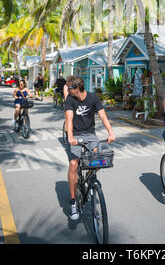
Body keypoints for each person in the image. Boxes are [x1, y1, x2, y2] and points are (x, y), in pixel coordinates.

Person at [65, 75, 115, 220]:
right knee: (74, 164)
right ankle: (73, 201)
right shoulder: (70, 99)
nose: (68, 90)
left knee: (100, 159)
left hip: (90, 134)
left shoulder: (93, 98)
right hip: (76, 135)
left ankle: (89, 176)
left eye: (70, 88)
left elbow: (103, 117)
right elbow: (69, 119)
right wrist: (70, 137)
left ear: (77, 88)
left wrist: (111, 133)